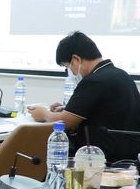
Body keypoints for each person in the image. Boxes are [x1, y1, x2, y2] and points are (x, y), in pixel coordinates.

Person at [27, 31, 140, 161]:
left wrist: (44, 114)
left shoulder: (94, 80)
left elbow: (65, 122)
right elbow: (106, 111)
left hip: (104, 159)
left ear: (76, 59)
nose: (69, 72)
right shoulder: (121, 75)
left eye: (67, 67)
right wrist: (69, 109)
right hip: (129, 155)